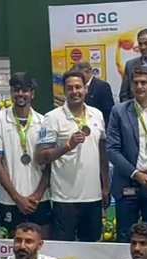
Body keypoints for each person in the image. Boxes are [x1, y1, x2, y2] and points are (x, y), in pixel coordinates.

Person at [36, 69, 110, 242]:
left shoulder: (97, 115)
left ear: (86, 89)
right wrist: (67, 146)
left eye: (78, 87)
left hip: (93, 197)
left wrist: (106, 186)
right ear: (64, 90)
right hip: (65, 198)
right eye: (70, 88)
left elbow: (102, 154)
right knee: (64, 250)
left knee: (91, 249)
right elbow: (41, 156)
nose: (74, 91)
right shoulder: (52, 118)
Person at [106, 66, 147, 243]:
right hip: (128, 182)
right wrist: (135, 174)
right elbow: (112, 150)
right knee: (125, 238)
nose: (139, 87)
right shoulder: (119, 111)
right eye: (136, 83)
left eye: (144, 83)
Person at [0, 72, 51, 238]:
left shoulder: (44, 122)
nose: (20, 94)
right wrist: (17, 198)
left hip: (40, 200)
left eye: (25, 90)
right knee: (15, 247)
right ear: (11, 92)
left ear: (32, 94)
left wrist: (37, 196)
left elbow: (49, 164)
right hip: (10, 200)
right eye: (16, 90)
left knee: (42, 245)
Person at [75, 61, 115, 126]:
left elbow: (108, 111)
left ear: (86, 72)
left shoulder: (101, 86)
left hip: (99, 125)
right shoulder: (81, 87)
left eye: (78, 75)